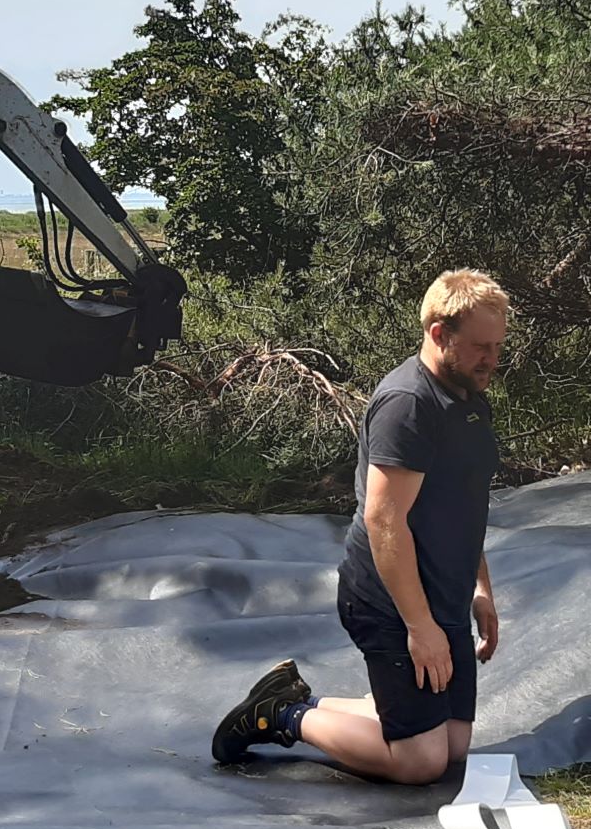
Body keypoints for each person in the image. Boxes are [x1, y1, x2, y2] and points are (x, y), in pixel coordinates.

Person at [212, 269, 508, 783]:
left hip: (445, 595)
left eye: (498, 345)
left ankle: (306, 698)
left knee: (455, 745)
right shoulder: (409, 405)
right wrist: (420, 627)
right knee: (421, 762)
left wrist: (480, 589)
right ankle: (281, 715)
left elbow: (467, 503)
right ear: (439, 334)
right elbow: (383, 519)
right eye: (482, 346)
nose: (493, 358)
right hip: (390, 599)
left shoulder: (467, 396)